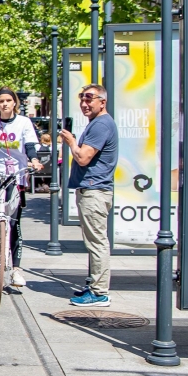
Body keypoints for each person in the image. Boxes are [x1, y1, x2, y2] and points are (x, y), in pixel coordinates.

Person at [0, 87, 43, 288]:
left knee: (14, 221)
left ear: (14, 103)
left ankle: (16, 270)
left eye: (8, 100)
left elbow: (30, 145)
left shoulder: (24, 122)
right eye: (1, 101)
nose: (4, 104)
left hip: (16, 173)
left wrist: (34, 160)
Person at [61, 84, 118, 307]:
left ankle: (99, 292)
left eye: (89, 99)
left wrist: (71, 142)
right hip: (93, 189)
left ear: (102, 102)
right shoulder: (97, 123)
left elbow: (83, 158)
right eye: (82, 98)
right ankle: (95, 285)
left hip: (95, 190)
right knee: (94, 240)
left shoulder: (101, 124)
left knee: (97, 242)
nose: (84, 103)